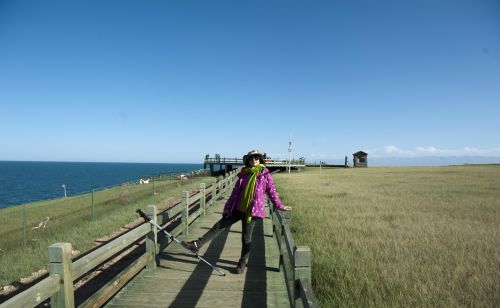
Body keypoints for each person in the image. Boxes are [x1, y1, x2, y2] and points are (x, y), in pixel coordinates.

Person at [185, 149, 291, 274]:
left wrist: (279, 206)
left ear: (260, 159)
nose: (253, 160)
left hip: (251, 212)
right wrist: (227, 208)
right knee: (218, 226)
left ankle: (242, 263)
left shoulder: (265, 174)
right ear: (247, 160)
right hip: (237, 208)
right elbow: (235, 193)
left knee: (246, 239)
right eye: (251, 158)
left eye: (256, 158)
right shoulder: (244, 173)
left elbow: (272, 192)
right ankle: (196, 245)